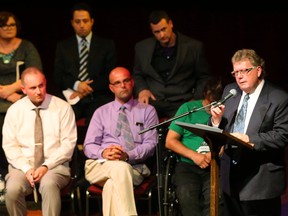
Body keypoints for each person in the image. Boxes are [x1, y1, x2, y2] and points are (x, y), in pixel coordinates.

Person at [210, 49, 288, 216]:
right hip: (230, 179)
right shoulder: (230, 91)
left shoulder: (278, 97)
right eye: (236, 72)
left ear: (258, 70)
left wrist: (249, 139)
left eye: (244, 70)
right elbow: (222, 128)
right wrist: (216, 121)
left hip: (261, 181)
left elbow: (282, 135)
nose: (239, 76)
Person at [83, 66, 159, 216]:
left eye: (126, 81)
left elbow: (151, 144)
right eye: (117, 83)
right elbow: (88, 145)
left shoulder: (147, 110)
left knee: (113, 183)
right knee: (120, 169)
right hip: (100, 165)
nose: (123, 86)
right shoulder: (101, 112)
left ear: (132, 82)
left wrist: (127, 156)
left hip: (134, 167)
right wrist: (103, 152)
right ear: (111, 88)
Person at [2, 67, 77, 216]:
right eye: (33, 88)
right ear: (23, 89)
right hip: (22, 167)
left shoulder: (62, 107)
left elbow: (68, 144)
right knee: (12, 189)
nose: (38, 91)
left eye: (41, 85)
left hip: (55, 165)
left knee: (48, 184)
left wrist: (45, 166)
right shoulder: (15, 110)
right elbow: (10, 145)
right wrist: (26, 168)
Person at [133, 10, 211, 119]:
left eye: (164, 29)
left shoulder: (194, 47)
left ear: (171, 24)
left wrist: (195, 99)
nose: (162, 35)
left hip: (183, 102)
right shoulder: (142, 47)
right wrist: (142, 89)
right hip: (154, 101)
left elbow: (204, 77)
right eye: (157, 32)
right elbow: (137, 74)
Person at [165, 77, 224, 216]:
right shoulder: (188, 109)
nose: (212, 106)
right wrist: (195, 156)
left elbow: (229, 138)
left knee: (215, 201)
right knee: (187, 198)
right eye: (210, 101)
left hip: (214, 165)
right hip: (187, 166)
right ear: (204, 94)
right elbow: (170, 141)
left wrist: (216, 153)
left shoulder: (226, 112)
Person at [54, 2, 117, 125]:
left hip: (98, 96)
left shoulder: (106, 45)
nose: (82, 25)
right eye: (77, 22)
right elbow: (58, 76)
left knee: (97, 120)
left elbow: (110, 75)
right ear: (72, 23)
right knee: (62, 119)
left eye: (85, 21)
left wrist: (86, 89)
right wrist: (78, 85)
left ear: (92, 21)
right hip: (71, 97)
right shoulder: (63, 46)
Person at [0, 11, 42, 176]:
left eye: (12, 25)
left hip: (22, 97)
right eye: (4, 25)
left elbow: (35, 72)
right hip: (8, 98)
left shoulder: (26, 47)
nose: (9, 28)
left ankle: (16, 173)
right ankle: (1, 175)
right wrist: (7, 94)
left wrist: (10, 90)